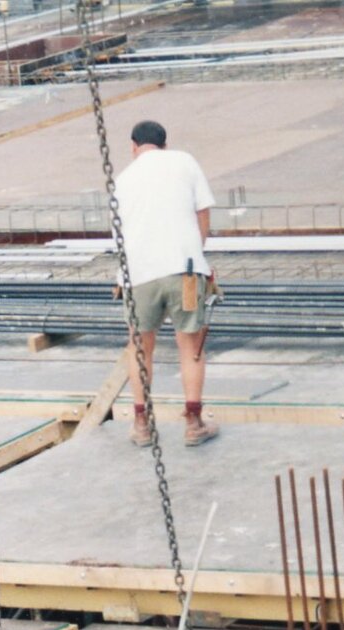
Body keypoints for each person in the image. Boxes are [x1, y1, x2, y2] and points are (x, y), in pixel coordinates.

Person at [114, 119, 216, 449]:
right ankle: (193, 423)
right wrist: (196, 255)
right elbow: (202, 213)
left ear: (133, 147)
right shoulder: (184, 161)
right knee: (191, 348)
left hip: (138, 274)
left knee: (140, 349)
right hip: (184, 271)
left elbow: (119, 235)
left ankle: (142, 425)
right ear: (164, 144)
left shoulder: (123, 180)